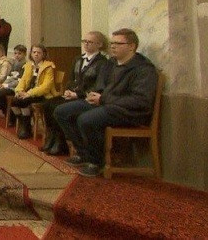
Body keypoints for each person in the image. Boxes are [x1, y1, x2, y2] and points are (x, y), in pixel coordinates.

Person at [54, 28, 157, 177]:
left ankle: (96, 162)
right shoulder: (111, 63)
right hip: (107, 103)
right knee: (62, 111)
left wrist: (103, 99)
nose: (113, 46)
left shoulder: (143, 69)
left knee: (86, 119)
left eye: (118, 43)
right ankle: (83, 153)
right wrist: (94, 95)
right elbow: (101, 86)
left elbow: (140, 100)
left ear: (131, 46)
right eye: (112, 43)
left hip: (129, 112)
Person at [40, 31, 108, 156]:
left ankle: (61, 141)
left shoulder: (102, 62)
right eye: (84, 41)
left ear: (99, 44)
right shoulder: (78, 59)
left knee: (58, 108)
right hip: (72, 93)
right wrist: (68, 90)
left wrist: (77, 95)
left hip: (84, 97)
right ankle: (52, 137)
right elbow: (71, 79)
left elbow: (97, 86)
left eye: (90, 42)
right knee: (48, 104)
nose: (86, 44)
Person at [11, 44, 59, 139]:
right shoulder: (29, 65)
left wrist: (29, 93)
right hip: (27, 92)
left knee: (23, 101)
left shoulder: (48, 66)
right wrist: (19, 91)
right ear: (31, 54)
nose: (36, 54)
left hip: (42, 94)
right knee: (14, 101)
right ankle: (24, 122)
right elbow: (23, 80)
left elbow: (46, 87)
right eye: (34, 52)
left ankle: (26, 128)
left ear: (43, 54)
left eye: (39, 52)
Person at [0, 44, 27, 122]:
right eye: (15, 53)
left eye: (19, 53)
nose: (17, 55)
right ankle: (6, 112)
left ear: (24, 54)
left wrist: (6, 85)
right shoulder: (14, 63)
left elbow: (20, 80)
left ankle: (11, 115)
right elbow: (10, 76)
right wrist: (3, 84)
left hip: (15, 87)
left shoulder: (25, 65)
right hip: (8, 84)